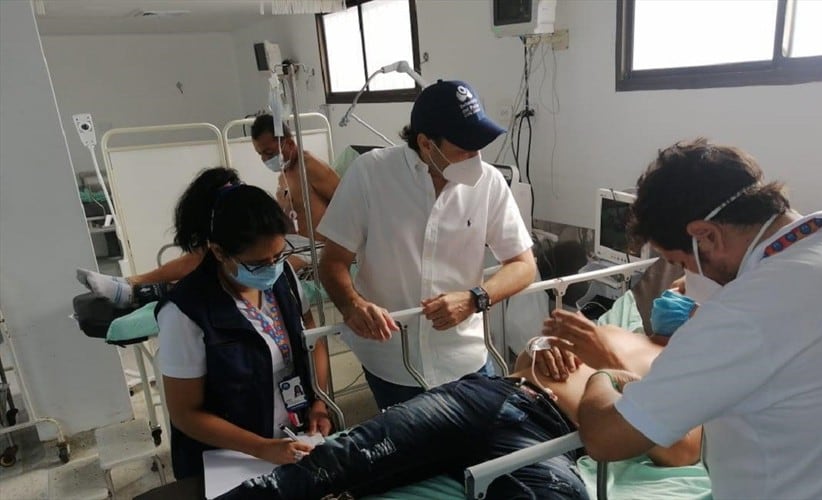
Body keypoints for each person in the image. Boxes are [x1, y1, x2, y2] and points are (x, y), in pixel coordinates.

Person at [551, 138, 822, 499]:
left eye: (682, 263)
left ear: (706, 236)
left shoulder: (740, 315)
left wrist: (601, 376)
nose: (686, 278)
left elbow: (606, 438)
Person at [215, 325, 702, 500]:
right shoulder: (608, 325)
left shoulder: (689, 372)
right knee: (336, 460)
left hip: (546, 440)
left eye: (688, 295)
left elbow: (681, 453)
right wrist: (536, 347)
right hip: (487, 396)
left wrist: (612, 376)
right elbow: (527, 357)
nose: (675, 296)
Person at [318, 80, 537, 410]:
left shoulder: (488, 183)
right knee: (413, 457)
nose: (474, 157)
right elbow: (332, 260)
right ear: (425, 144)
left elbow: (524, 265)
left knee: (479, 451)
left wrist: (475, 298)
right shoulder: (371, 175)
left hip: (465, 356)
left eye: (479, 147)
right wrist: (352, 304)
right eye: (463, 148)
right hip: (392, 359)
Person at [155, 168, 332, 480]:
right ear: (219, 252)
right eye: (259, 263)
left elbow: (312, 340)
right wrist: (261, 447)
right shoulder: (186, 313)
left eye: (279, 255)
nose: (273, 268)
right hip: (229, 460)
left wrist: (319, 401)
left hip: (294, 437)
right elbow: (185, 414)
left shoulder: (284, 279)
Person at [76, 114, 340, 306]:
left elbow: (349, 207)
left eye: (269, 152)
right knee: (212, 251)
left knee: (227, 273)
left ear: (289, 143)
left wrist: (342, 254)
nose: (265, 159)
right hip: (286, 242)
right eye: (260, 154)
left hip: (314, 250)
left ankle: (150, 293)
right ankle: (133, 282)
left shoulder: (312, 168)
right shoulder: (285, 172)